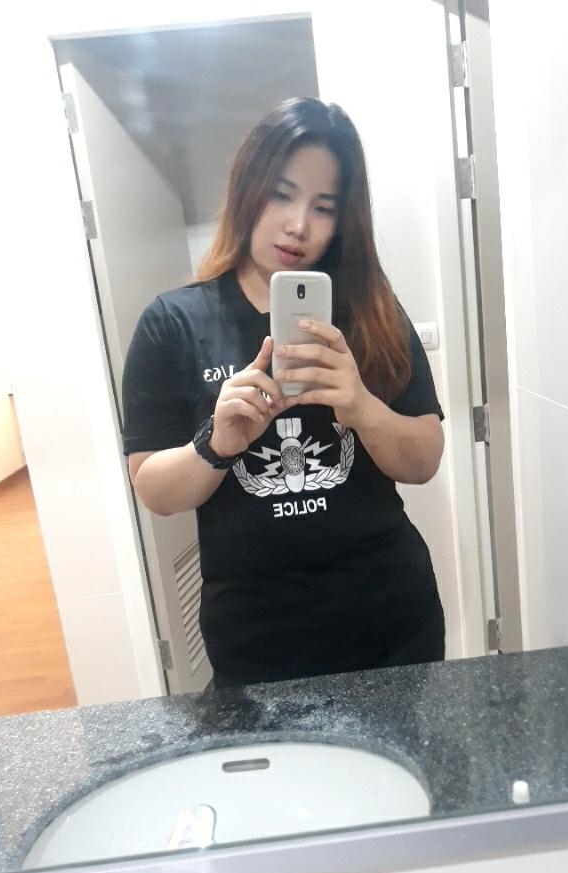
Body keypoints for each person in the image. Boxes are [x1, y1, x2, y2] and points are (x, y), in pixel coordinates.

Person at [122, 97, 446, 689]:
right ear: (246, 188)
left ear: (343, 220)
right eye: (281, 194)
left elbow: (424, 459)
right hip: (258, 645)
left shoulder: (371, 312)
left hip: (392, 627)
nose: (299, 225)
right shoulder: (173, 324)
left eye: (324, 207)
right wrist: (216, 443)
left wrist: (361, 407)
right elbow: (154, 490)